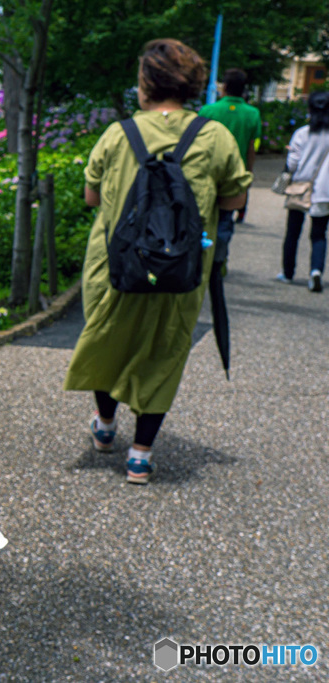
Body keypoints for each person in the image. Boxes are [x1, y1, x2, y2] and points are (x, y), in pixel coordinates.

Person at [63, 38, 251, 484]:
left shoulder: (117, 133)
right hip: (182, 266)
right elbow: (235, 198)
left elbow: (92, 196)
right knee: (166, 349)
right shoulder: (215, 135)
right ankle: (141, 456)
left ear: (146, 83)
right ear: (192, 86)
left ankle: (105, 428)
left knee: (108, 338)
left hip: (116, 263)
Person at [199, 68, 261, 266]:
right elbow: (252, 147)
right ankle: (219, 259)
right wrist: (248, 172)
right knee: (225, 219)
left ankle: (201, 255)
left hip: (207, 173)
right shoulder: (252, 113)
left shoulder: (208, 110)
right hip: (235, 174)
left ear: (224, 87)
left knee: (203, 216)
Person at [277, 90, 329, 292]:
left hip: (301, 188)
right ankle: (315, 272)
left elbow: (292, 164)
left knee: (293, 232)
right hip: (325, 190)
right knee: (318, 234)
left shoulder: (302, 133)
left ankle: (288, 273)